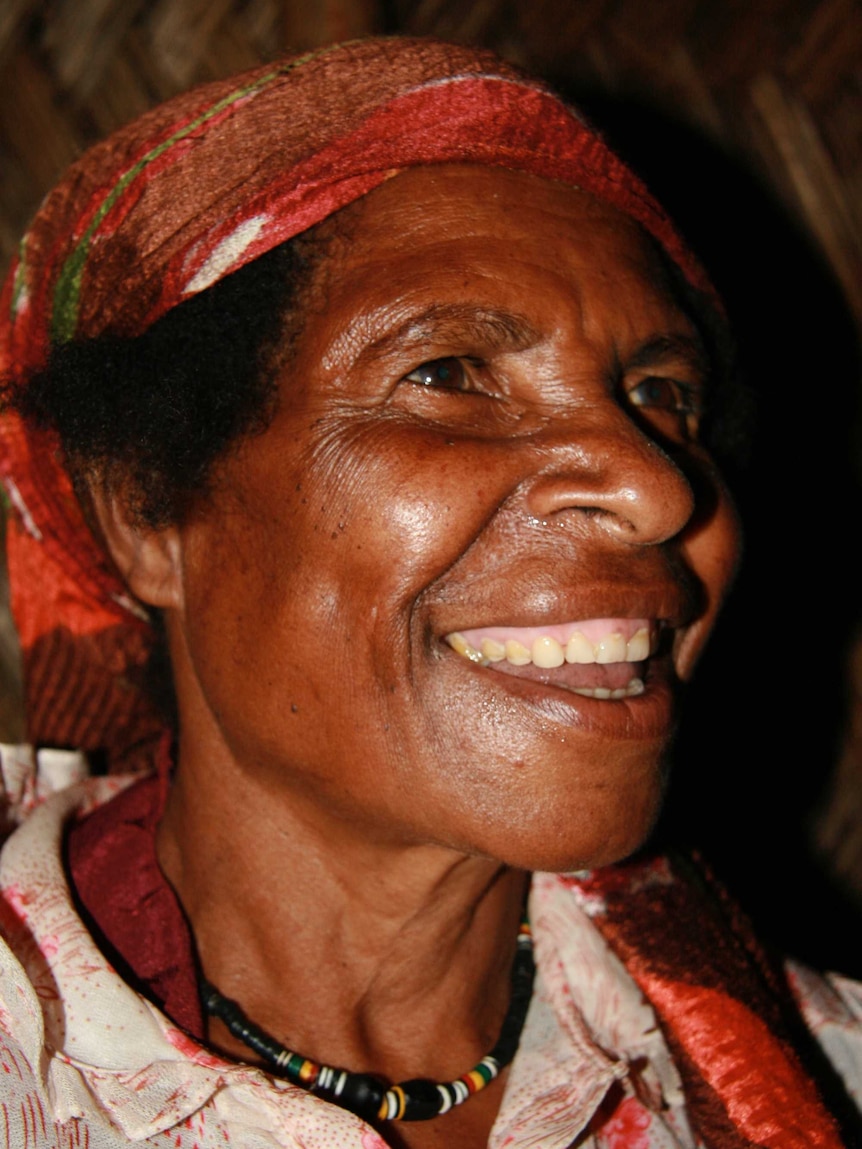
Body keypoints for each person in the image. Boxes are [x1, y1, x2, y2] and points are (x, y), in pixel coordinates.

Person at [0, 36, 859, 1149]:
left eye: (663, 393)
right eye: (448, 376)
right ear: (147, 513)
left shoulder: (818, 1077)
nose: (654, 485)